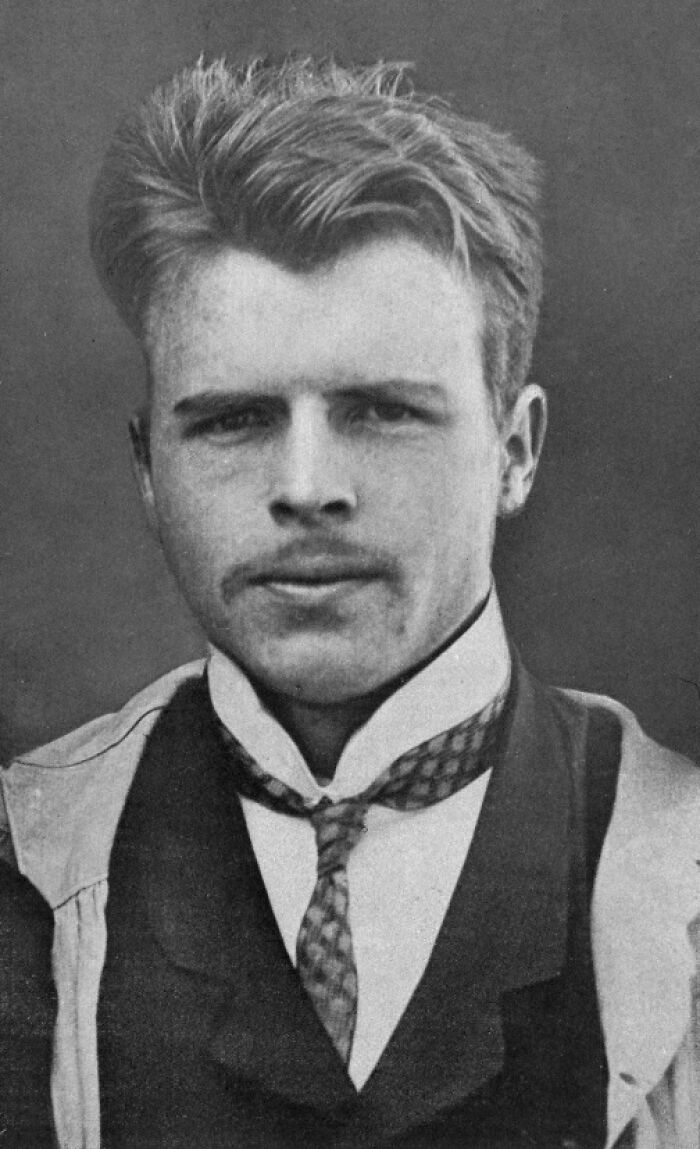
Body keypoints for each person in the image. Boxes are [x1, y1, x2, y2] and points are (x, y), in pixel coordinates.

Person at [1, 56, 698, 1149]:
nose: (305, 487)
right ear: (148, 469)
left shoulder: (676, 868)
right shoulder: (27, 871)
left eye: (379, 411)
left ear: (515, 452)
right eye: (232, 421)